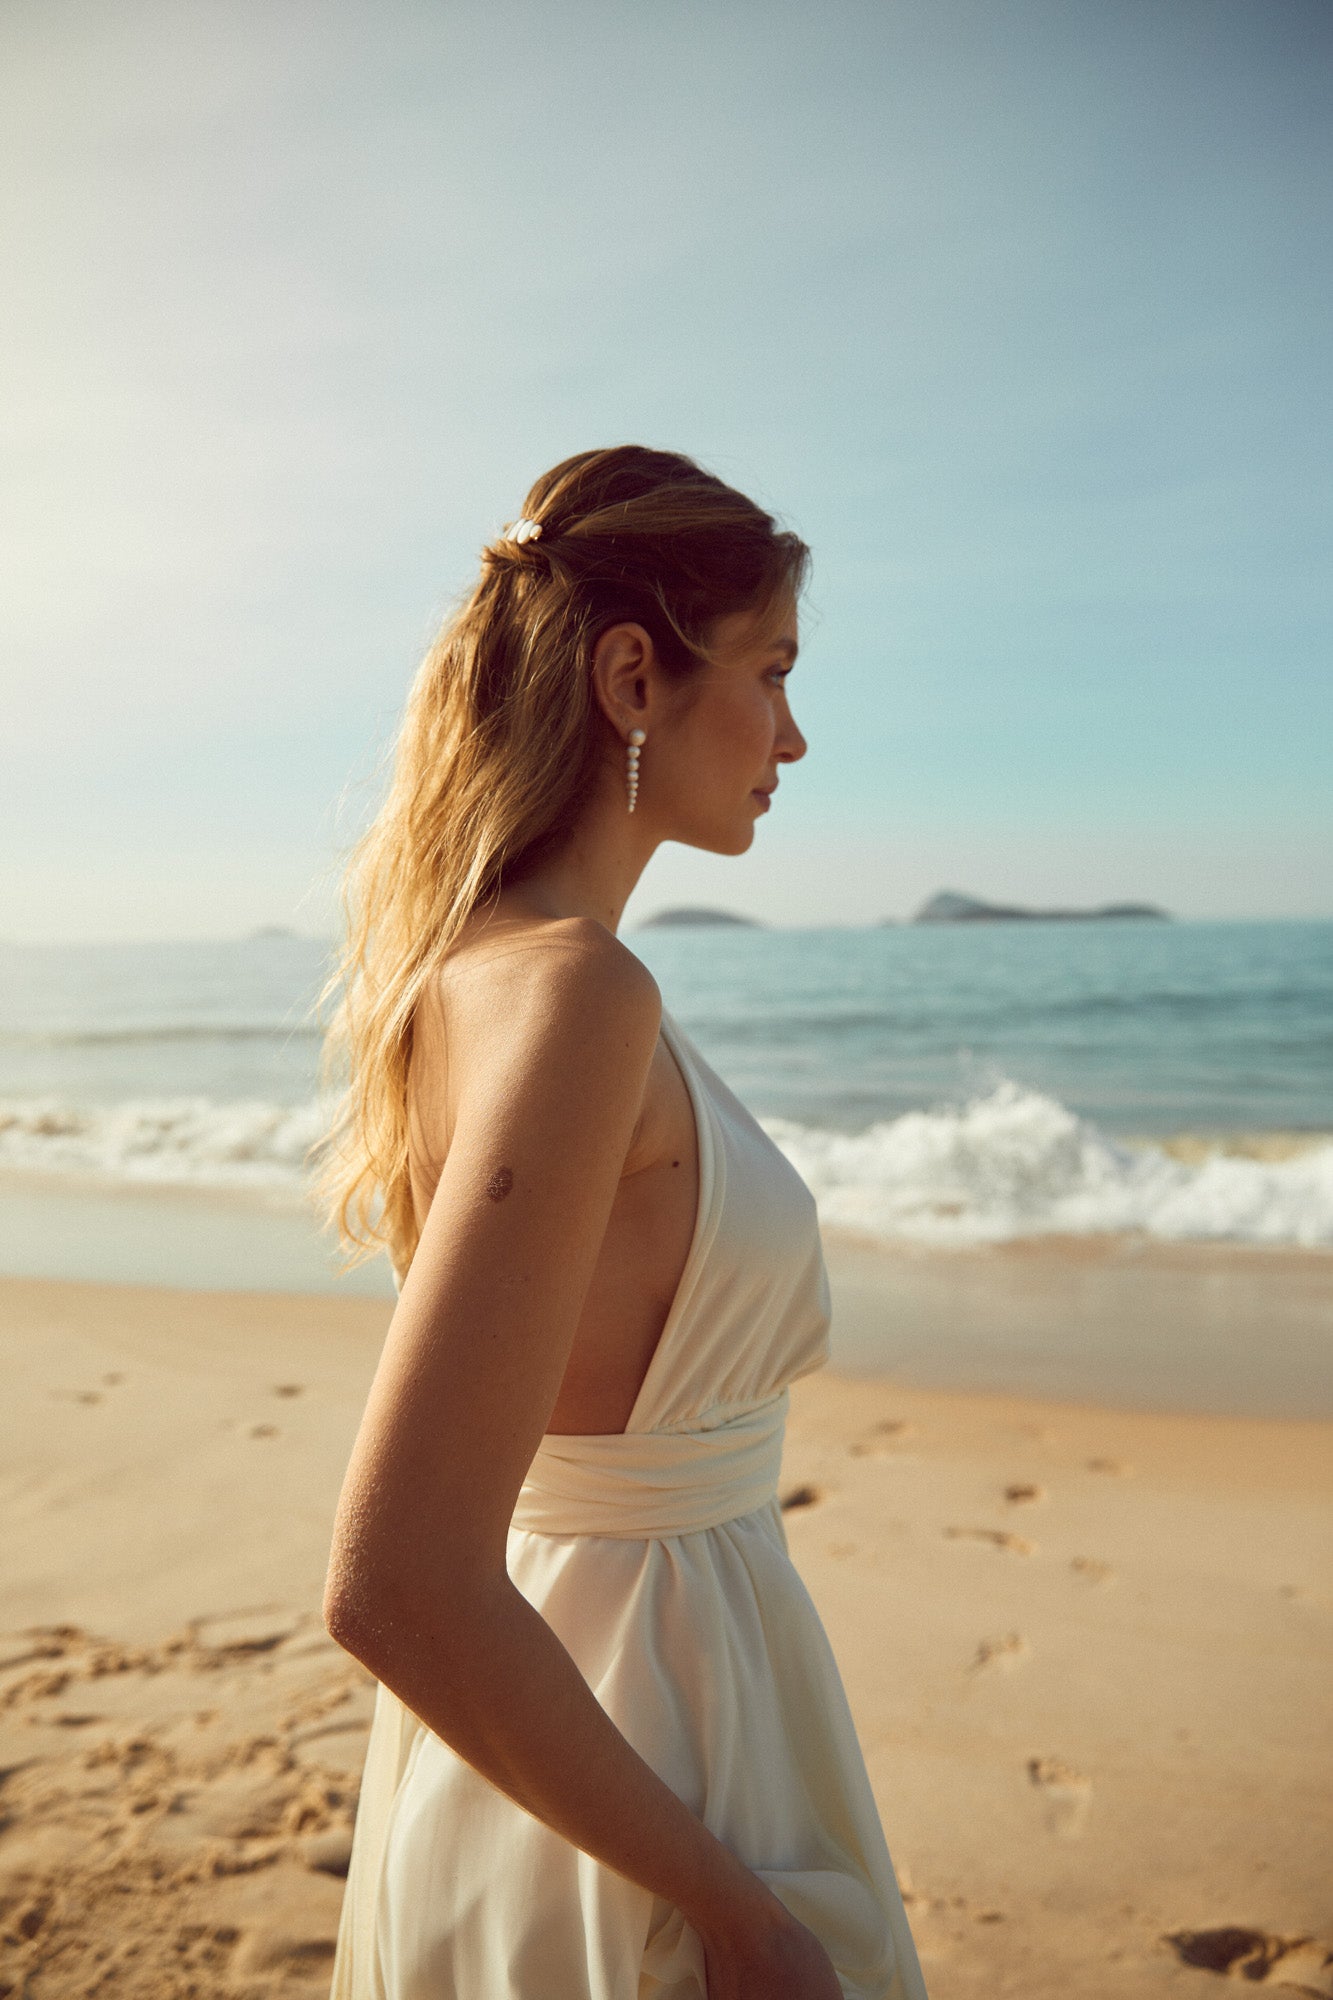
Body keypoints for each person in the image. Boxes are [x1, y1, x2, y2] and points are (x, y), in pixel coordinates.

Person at [315, 446, 930, 1999]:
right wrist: (734, 1910)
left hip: (593, 1709)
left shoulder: (469, 975)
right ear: (633, 676)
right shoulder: (577, 995)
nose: (795, 732)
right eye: (773, 670)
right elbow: (397, 1579)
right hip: (650, 1738)